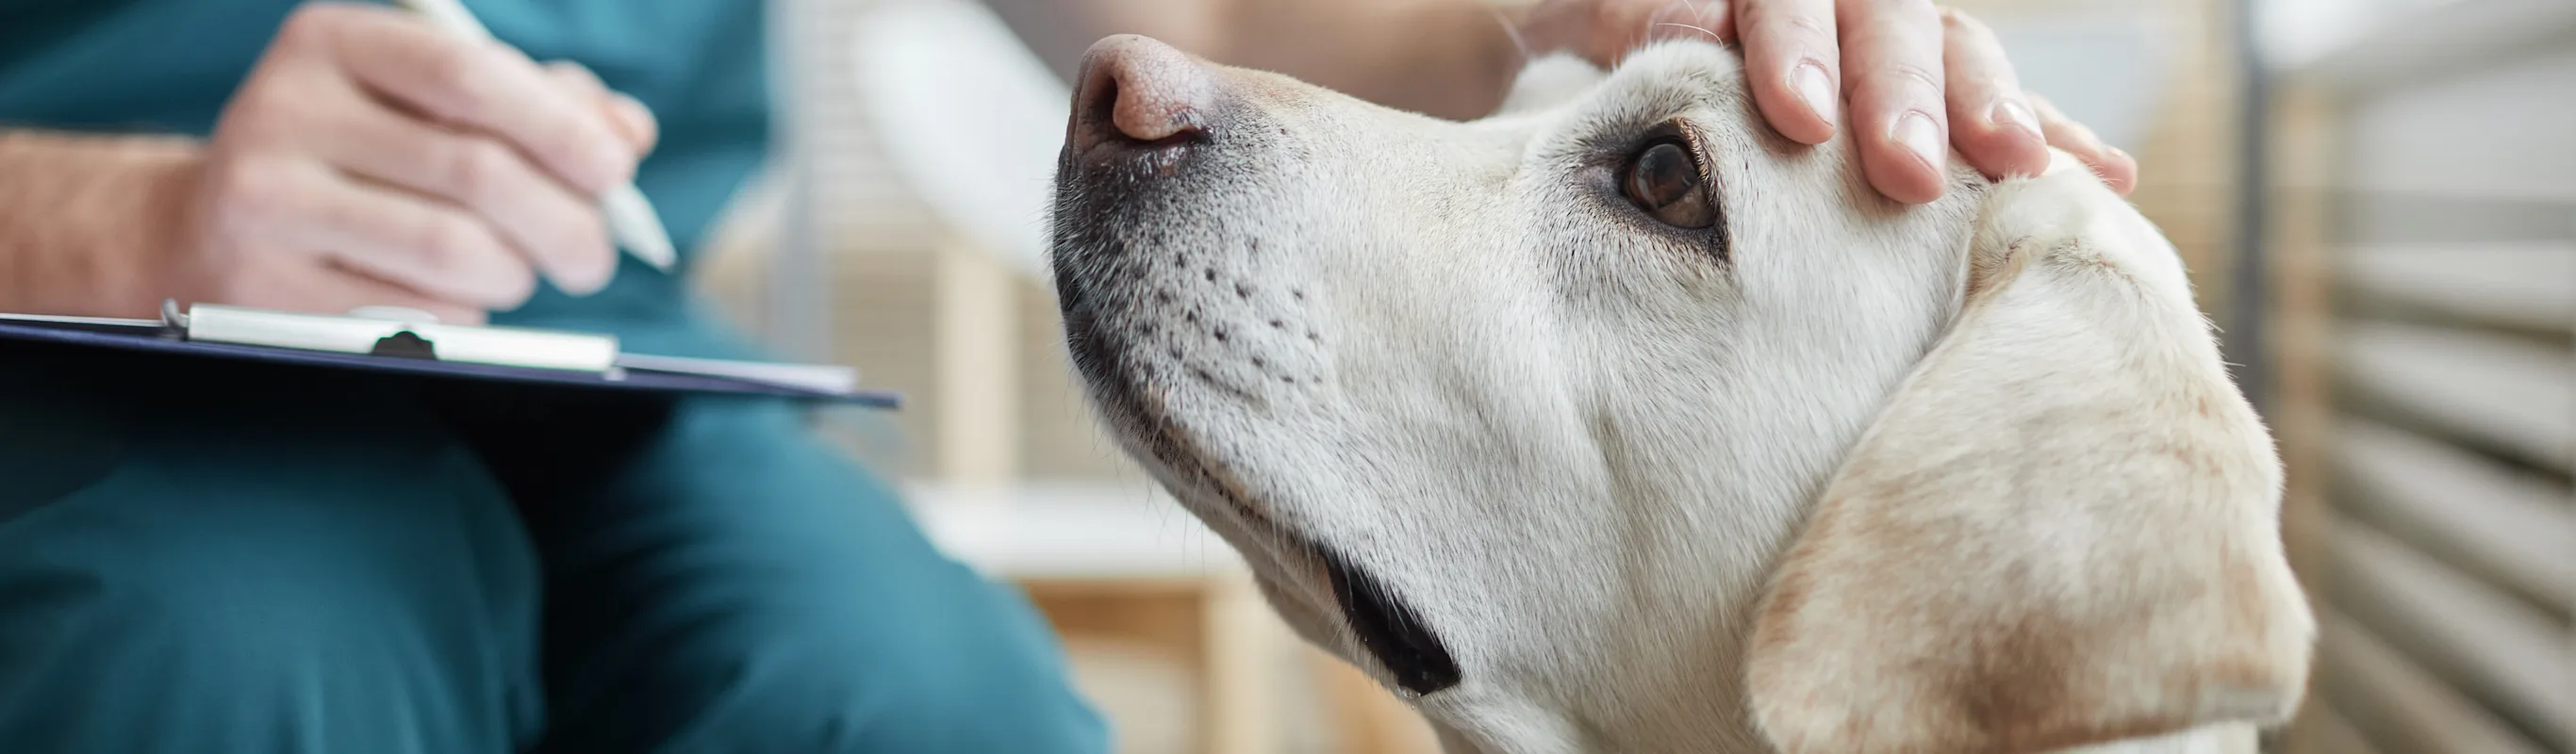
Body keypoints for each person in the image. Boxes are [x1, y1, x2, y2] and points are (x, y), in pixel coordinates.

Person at [0, 0, 2131, 751]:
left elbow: (1183, 1)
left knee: (930, 700)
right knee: (238, 660)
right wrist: (114, 218)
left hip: (606, 352)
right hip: (73, 329)